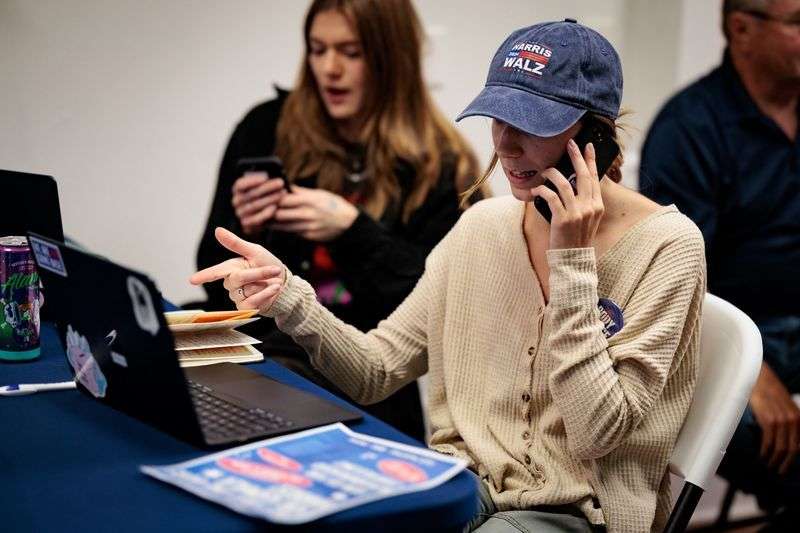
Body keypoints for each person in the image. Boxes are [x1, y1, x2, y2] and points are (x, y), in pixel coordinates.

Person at [192, 20, 706, 533]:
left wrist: (571, 264)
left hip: (578, 512)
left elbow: (598, 435)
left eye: (533, 124)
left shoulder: (669, 247)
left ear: (595, 134)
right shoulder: (482, 228)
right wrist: (288, 297)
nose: (505, 145)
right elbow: (375, 371)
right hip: (463, 485)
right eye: (498, 118)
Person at [195, 0, 483, 442]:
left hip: (363, 377)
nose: (329, 68)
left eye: (351, 53)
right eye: (317, 49)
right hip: (263, 352)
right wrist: (248, 233)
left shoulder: (443, 165)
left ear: (391, 60)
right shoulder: (266, 127)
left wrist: (355, 232)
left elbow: (433, 310)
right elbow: (212, 278)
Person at [640, 0, 800, 522]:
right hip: (731, 341)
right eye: (799, 22)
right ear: (741, 30)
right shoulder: (689, 128)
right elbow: (675, 281)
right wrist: (753, 372)